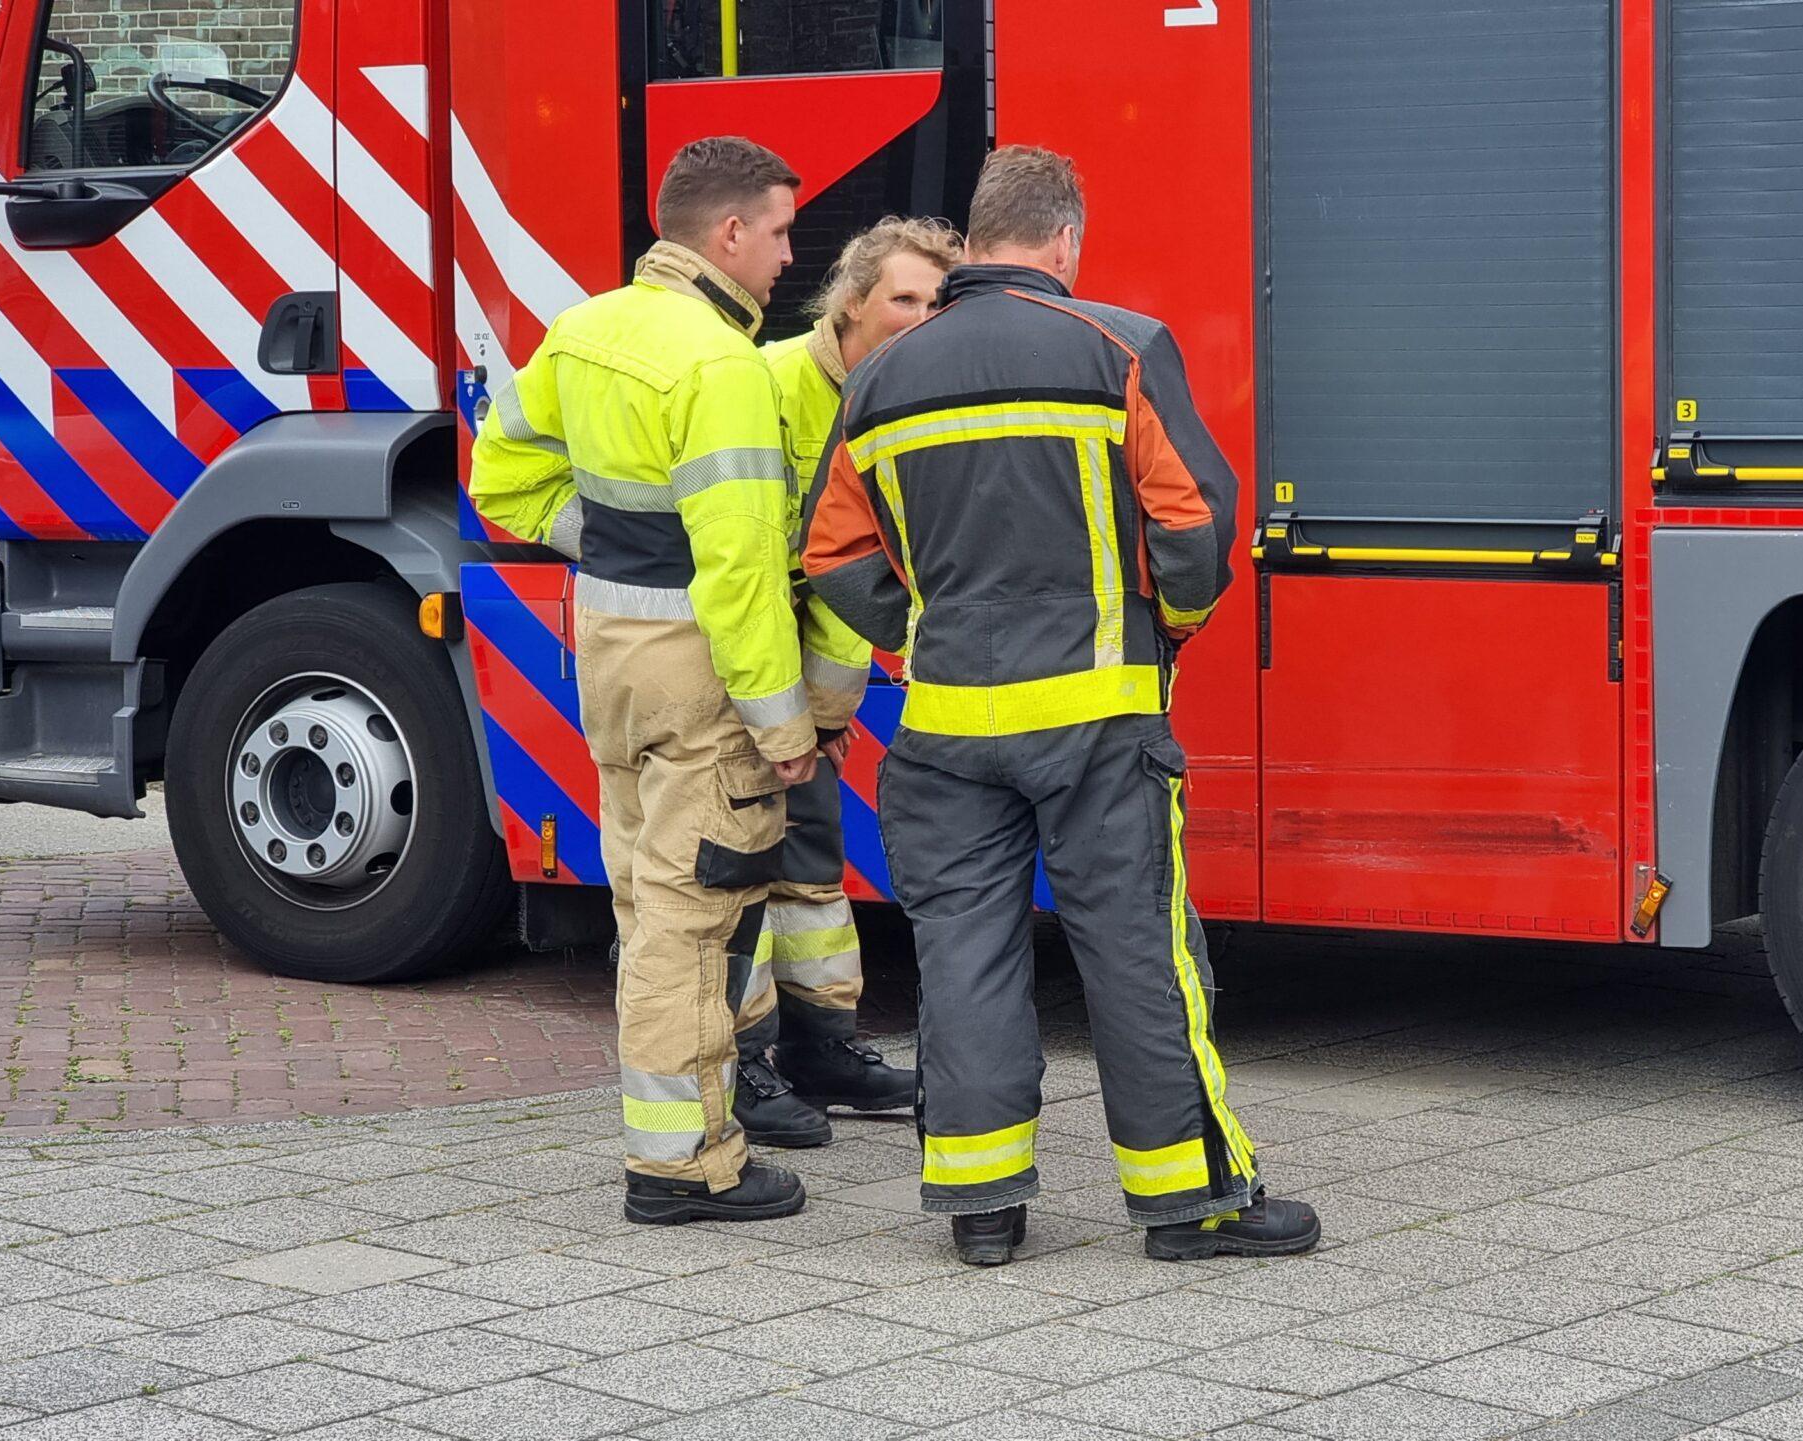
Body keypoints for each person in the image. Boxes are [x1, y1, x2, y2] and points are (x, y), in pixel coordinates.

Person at [803, 146, 1321, 1265]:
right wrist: (1161, 634)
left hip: (944, 730)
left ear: (973, 240)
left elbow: (830, 548)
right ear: (1064, 241)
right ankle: (1190, 1206)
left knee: (965, 954)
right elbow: (1192, 529)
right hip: (1098, 723)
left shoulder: (880, 379)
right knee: (1138, 951)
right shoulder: (1117, 348)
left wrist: (910, 629)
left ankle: (983, 1211)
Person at [470, 137, 814, 1226]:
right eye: (778, 229)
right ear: (726, 234)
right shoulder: (720, 365)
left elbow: (500, 478)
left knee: (645, 899)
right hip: (700, 675)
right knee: (688, 920)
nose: (787, 253)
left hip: (610, 655)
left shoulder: (583, 329)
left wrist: (611, 545)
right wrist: (785, 721)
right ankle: (681, 1164)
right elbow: (744, 568)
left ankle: (691, 1131)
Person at [732, 217, 964, 1146]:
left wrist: (823, 717)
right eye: (903, 298)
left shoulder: (901, 392)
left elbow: (851, 568)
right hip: (735, 654)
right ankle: (739, 1061)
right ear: (851, 302)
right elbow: (750, 561)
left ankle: (821, 1048)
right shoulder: (768, 381)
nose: (921, 316)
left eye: (937, 301)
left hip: (805, 658)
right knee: (734, 862)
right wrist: (775, 708)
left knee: (812, 860)